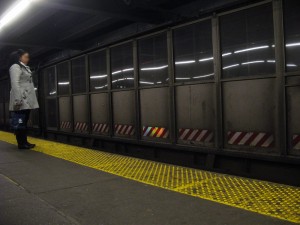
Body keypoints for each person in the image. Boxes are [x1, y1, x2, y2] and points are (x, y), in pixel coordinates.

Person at [8, 49, 39, 149]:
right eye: (26, 57)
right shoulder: (15, 67)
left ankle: (24, 141)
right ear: (19, 57)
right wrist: (18, 99)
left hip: (27, 99)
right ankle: (21, 144)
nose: (28, 59)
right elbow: (15, 83)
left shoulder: (24, 67)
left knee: (24, 121)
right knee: (20, 122)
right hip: (21, 99)